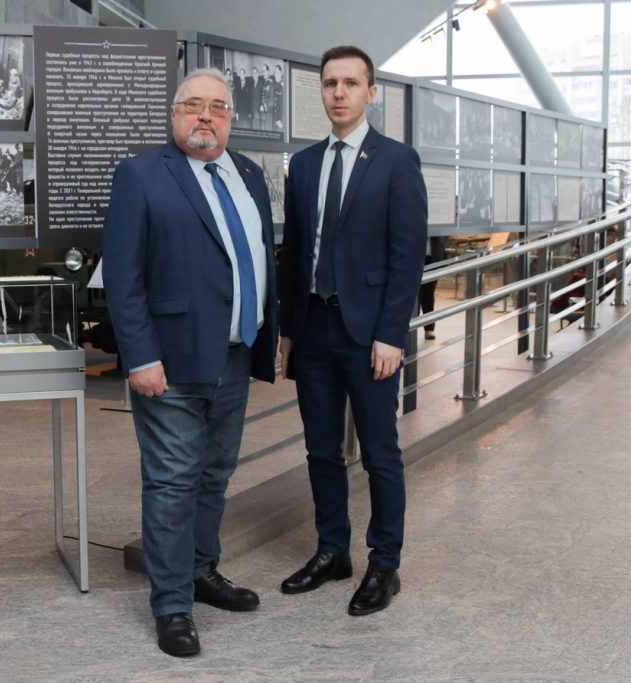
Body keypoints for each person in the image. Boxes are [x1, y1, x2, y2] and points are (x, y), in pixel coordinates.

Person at [102, 68, 278, 657]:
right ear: (174, 113)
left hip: (236, 354)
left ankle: (202, 570)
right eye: (194, 105)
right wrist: (140, 356)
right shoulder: (141, 175)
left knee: (214, 473)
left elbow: (257, 259)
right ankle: (172, 604)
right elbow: (123, 277)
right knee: (173, 480)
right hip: (170, 363)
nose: (206, 115)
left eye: (218, 107)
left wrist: (268, 334)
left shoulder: (248, 175)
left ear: (231, 117)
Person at [277, 46, 427, 616]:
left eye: (350, 83)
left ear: (371, 92)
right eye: (330, 83)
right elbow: (295, 255)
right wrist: (289, 330)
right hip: (313, 328)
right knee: (320, 450)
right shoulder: (304, 165)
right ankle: (332, 551)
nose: (338, 93)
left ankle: (384, 563)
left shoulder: (396, 161)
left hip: (369, 334)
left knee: (380, 452)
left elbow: (407, 257)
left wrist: (392, 333)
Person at [419, 236, 446, 340]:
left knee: (429, 294)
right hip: (415, 257)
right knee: (415, 295)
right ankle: (411, 328)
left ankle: (429, 328)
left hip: (433, 257)